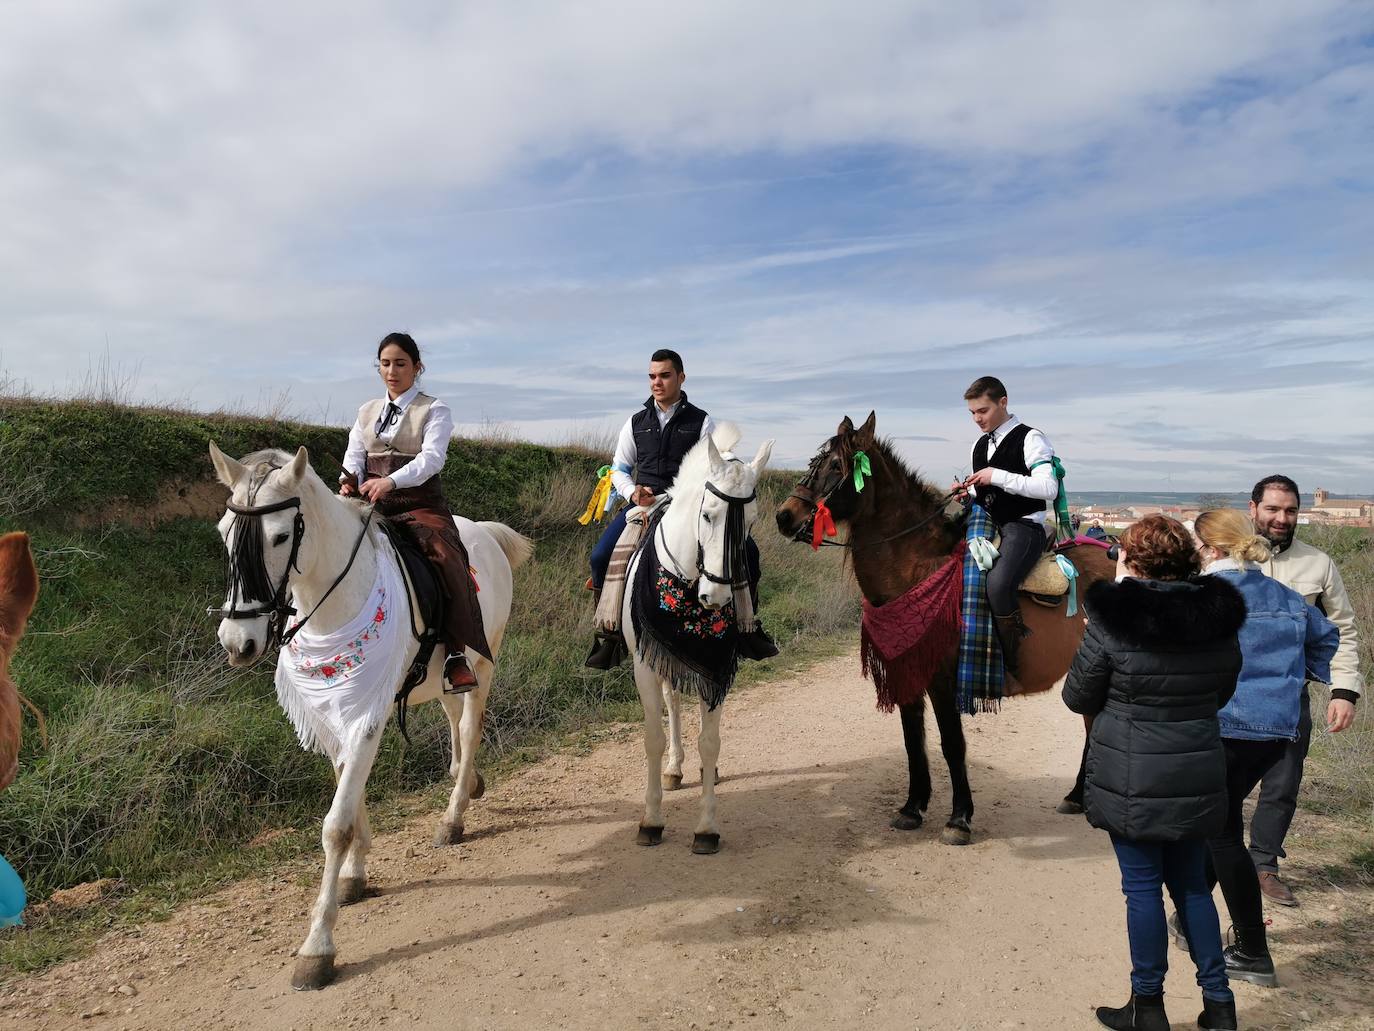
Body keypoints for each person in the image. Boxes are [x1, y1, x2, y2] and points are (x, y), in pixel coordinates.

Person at [1064, 514, 1246, 1031]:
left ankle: (1148, 1008)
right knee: (1192, 887)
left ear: (1134, 562)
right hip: (1197, 769)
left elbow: (1078, 695)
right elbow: (1222, 691)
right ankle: (1219, 1005)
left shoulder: (1110, 621)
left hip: (1132, 778)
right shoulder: (1218, 618)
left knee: (1142, 890)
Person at [1188, 508, 1338, 989]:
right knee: (1221, 822)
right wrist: (1297, 675)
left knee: (1223, 832)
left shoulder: (1203, 597)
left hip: (1224, 726)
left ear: (1210, 549)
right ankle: (1192, 920)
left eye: (1197, 545)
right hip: (1276, 730)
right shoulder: (1287, 596)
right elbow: (1327, 636)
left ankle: (1252, 949)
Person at [584, 349, 776, 669]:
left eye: (664, 375)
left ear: (681, 377)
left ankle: (747, 629)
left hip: (687, 506)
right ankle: (610, 636)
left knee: (749, 553)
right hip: (644, 506)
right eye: (652, 376)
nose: (657, 382)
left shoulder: (702, 421)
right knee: (600, 557)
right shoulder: (635, 423)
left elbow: (715, 465)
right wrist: (632, 492)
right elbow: (618, 468)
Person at [339, 332, 490, 692]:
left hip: (418, 504)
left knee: (445, 556)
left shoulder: (434, 409)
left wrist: (389, 482)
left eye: (400, 363)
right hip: (370, 505)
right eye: (386, 364)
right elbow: (354, 457)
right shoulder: (365, 412)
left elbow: (431, 460)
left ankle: (456, 654)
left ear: (417, 367)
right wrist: (348, 481)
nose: (392, 371)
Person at [1245, 475, 1362, 907]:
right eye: (1273, 509)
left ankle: (1264, 865)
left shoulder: (1319, 564)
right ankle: (1203, 869)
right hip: (1227, 695)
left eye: (1290, 510)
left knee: (1283, 783)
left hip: (1289, 694)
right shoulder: (1224, 559)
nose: (1282, 518)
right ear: (1253, 508)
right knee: (1217, 787)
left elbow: (1344, 631)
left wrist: (1343, 691)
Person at [950, 376, 1060, 674]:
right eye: (972, 413)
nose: (977, 419)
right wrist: (968, 493)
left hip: (1023, 527)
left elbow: (1048, 488)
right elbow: (984, 490)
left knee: (998, 586)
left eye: (982, 411)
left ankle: (1013, 662)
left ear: (1003, 402)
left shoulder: (1031, 437)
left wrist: (995, 476)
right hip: (984, 524)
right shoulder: (979, 444)